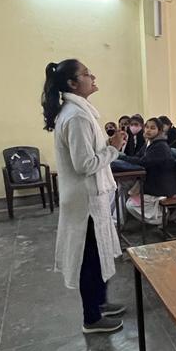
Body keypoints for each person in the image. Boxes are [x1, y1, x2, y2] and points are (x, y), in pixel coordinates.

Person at [42, 59, 127, 335]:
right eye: (87, 74)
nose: (93, 77)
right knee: (89, 258)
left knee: (99, 252)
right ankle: (91, 318)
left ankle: (100, 303)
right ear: (72, 83)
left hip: (91, 197)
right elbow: (84, 164)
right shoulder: (76, 116)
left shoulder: (81, 112)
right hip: (84, 201)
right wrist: (113, 148)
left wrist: (109, 146)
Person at [126, 117, 176, 225]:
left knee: (130, 204)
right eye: (147, 127)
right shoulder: (149, 144)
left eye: (152, 128)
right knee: (122, 187)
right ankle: (117, 220)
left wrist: (121, 157)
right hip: (150, 183)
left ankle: (161, 217)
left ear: (159, 131)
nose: (148, 130)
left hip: (160, 187)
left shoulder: (161, 146)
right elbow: (136, 157)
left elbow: (143, 162)